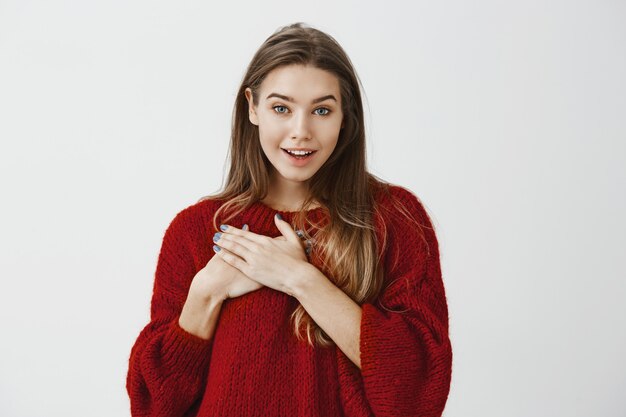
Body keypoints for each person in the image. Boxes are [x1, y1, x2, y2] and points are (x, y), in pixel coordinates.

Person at [126, 22, 452, 417]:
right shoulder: (196, 230)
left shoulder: (393, 220)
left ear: (344, 116)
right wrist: (206, 293)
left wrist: (300, 279)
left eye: (321, 110)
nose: (301, 131)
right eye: (281, 108)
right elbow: (153, 407)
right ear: (252, 107)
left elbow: (418, 394)